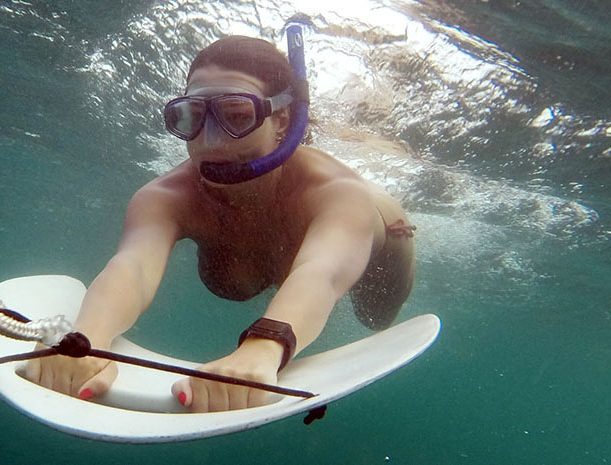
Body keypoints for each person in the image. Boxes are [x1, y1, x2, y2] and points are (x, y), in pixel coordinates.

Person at [25, 35, 416, 413]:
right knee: (240, 277)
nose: (211, 142)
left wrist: (263, 349)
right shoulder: (165, 196)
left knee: (376, 318)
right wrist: (86, 339)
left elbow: (322, 272)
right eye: (192, 117)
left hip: (385, 231)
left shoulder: (335, 192)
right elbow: (134, 265)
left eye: (237, 116)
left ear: (282, 119)